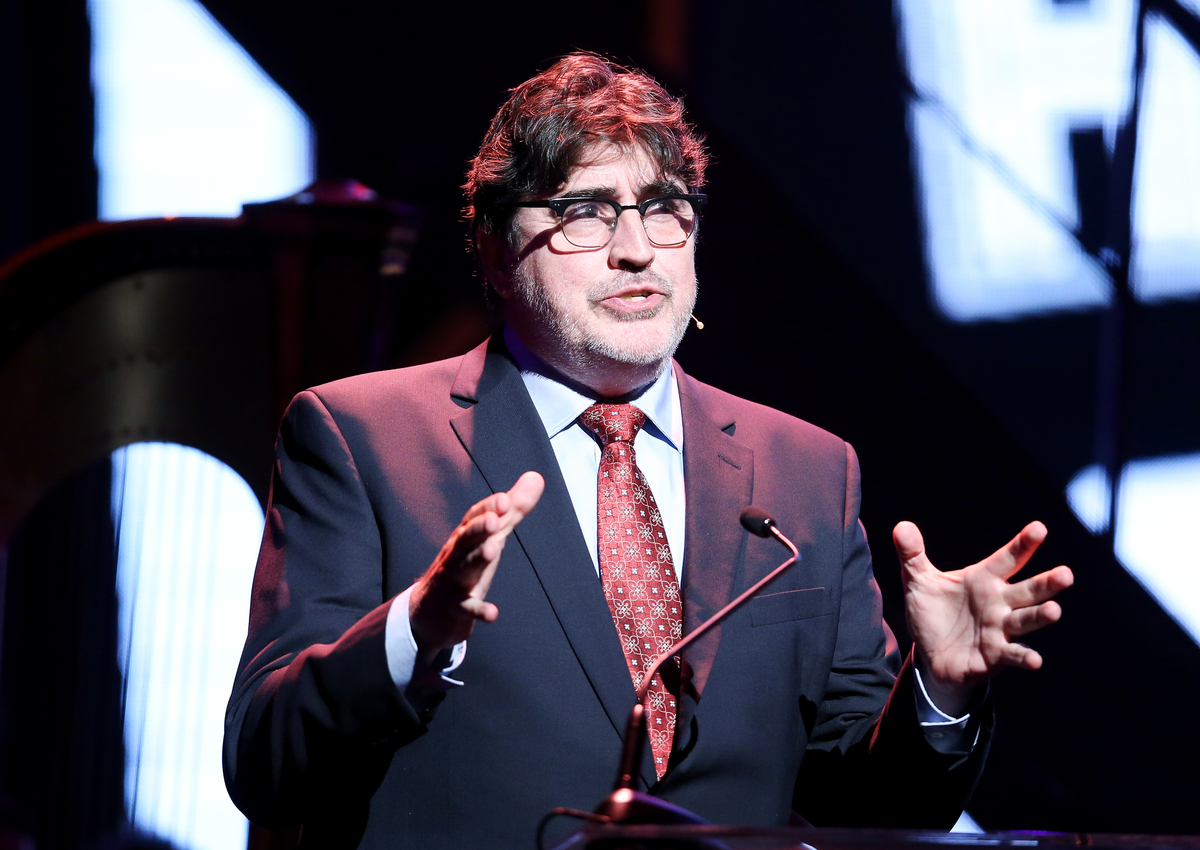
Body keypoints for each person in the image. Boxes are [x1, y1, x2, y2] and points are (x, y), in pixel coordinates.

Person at [223, 52, 1074, 849]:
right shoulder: (361, 436)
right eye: (584, 213)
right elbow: (265, 756)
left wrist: (941, 689)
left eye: (665, 209)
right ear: (490, 243)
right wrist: (415, 633)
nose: (636, 248)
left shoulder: (807, 469)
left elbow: (873, 807)